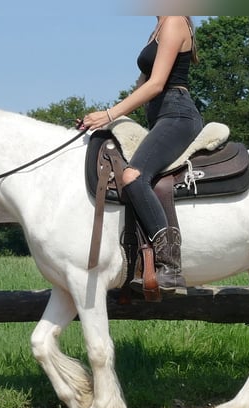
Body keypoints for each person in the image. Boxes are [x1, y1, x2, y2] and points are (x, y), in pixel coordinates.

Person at [82, 16, 203, 295]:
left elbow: (156, 84)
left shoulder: (174, 20)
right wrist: (101, 119)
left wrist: (109, 114)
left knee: (133, 176)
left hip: (177, 115)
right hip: (160, 116)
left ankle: (170, 266)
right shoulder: (157, 28)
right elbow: (142, 86)